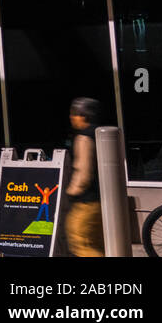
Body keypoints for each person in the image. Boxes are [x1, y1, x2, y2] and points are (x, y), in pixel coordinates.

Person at [64, 96, 104, 257]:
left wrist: (73, 191)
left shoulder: (84, 137)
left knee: (80, 242)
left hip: (86, 201)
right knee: (95, 243)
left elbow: (84, 170)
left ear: (84, 115)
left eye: (74, 113)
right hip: (101, 201)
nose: (71, 117)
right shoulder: (99, 134)